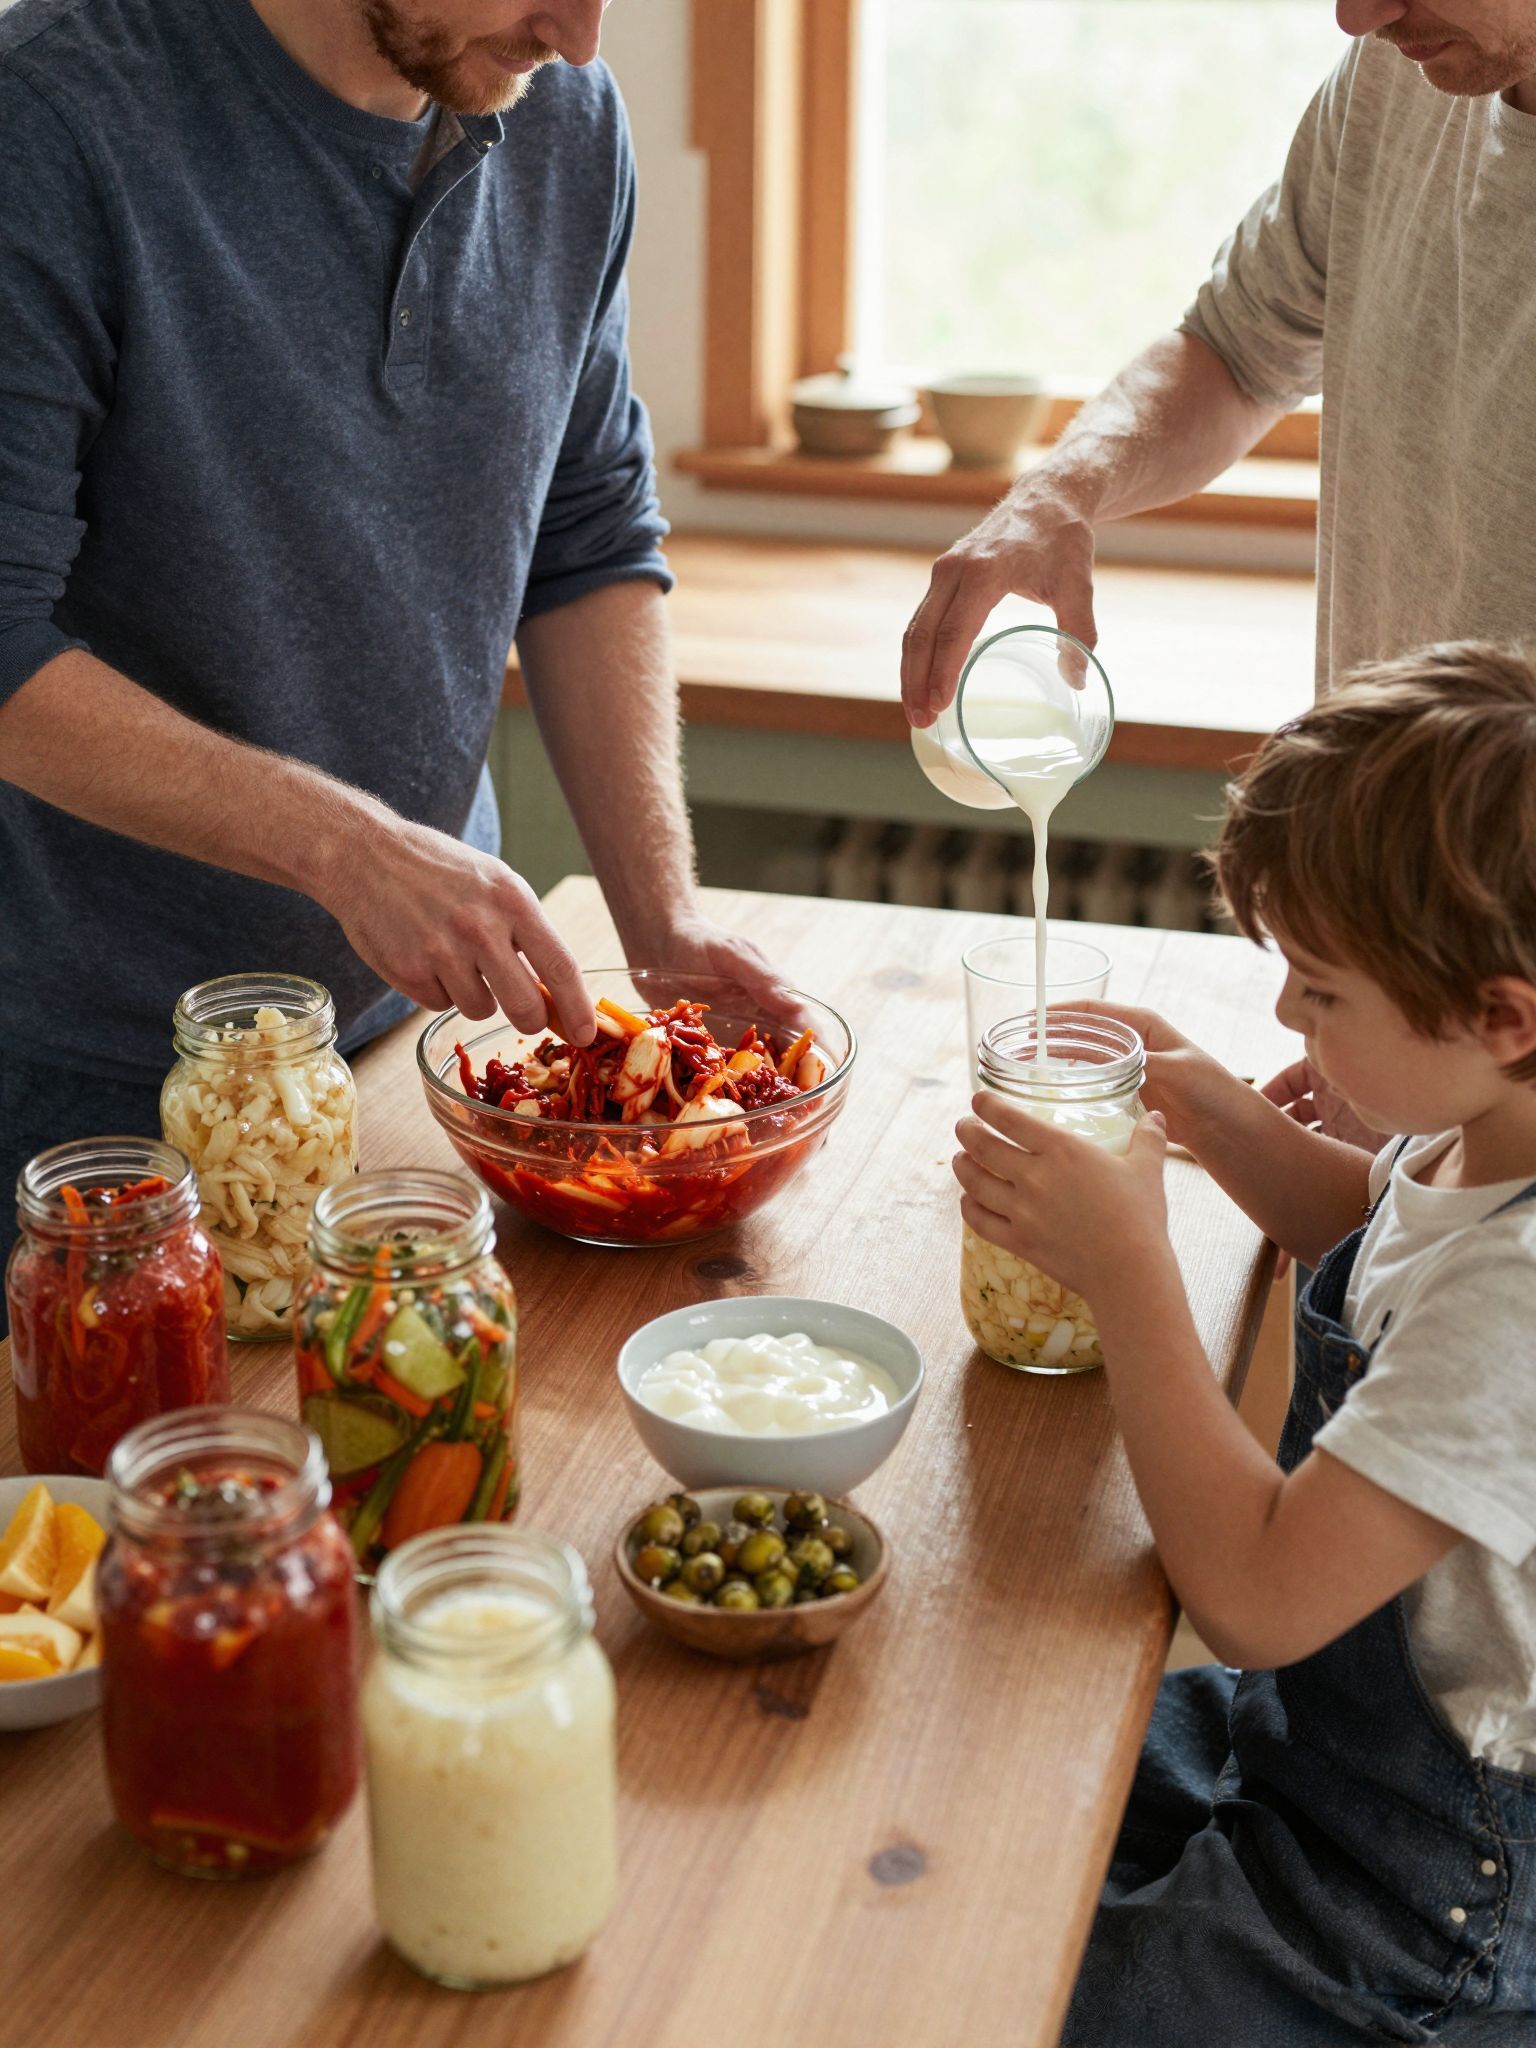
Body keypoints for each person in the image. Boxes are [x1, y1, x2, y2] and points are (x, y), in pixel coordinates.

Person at [0, 0, 784, 1256]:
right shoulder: (47, 119)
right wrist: (349, 850)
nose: (579, 38)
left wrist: (661, 920)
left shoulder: (561, 120)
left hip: (400, 1051)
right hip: (86, 1095)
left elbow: (582, 531)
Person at [954, 641, 1536, 2044]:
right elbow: (1373, 1235)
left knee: (1018, 2003)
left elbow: (1258, 1597)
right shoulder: (1486, 1134)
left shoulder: (1525, 1303)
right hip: (1308, 1752)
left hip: (1416, 1896)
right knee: (994, 1817)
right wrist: (1213, 1111)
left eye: (1321, 992)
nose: (1287, 1014)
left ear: (1503, 1017)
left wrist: (1132, 1265)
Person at [904, 0, 1536, 1142]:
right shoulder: (1398, 81)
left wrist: (1424, 1037)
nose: (1356, 14)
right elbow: (1240, 345)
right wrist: (1062, 489)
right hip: (1429, 1010)